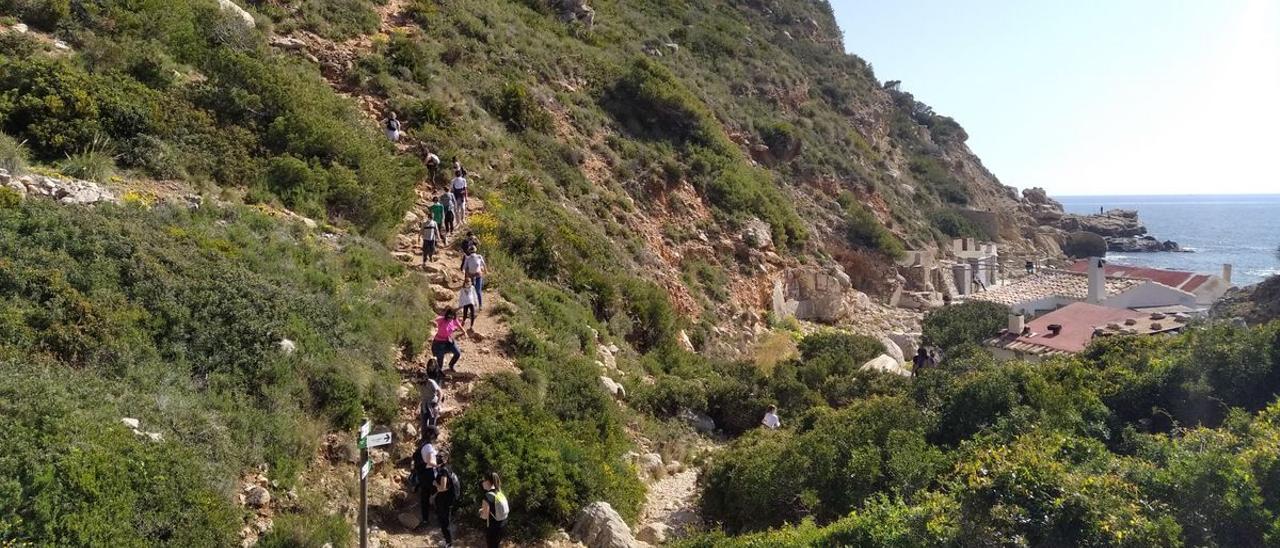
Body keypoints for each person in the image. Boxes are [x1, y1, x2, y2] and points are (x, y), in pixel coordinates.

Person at [434, 452, 460, 547]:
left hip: (446, 499)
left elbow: (443, 487)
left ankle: (449, 543)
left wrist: (435, 483)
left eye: (438, 458)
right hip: (449, 498)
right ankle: (448, 541)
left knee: (444, 521)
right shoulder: (448, 467)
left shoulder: (443, 471)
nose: (437, 459)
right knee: (445, 520)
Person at [479, 472, 509, 548]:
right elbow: (494, 508)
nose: (482, 482)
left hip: (493, 528)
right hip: (503, 524)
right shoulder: (499, 492)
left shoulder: (488, 496)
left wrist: (481, 512)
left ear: (487, 481)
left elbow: (484, 517)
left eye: (483, 480)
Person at [419, 365, 443, 430]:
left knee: (432, 425)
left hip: (432, 404)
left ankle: (432, 438)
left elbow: (440, 392)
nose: (419, 379)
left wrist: (437, 405)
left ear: (424, 377)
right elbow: (421, 395)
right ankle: (424, 438)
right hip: (424, 405)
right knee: (423, 424)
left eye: (421, 378)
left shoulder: (431, 382)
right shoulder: (420, 383)